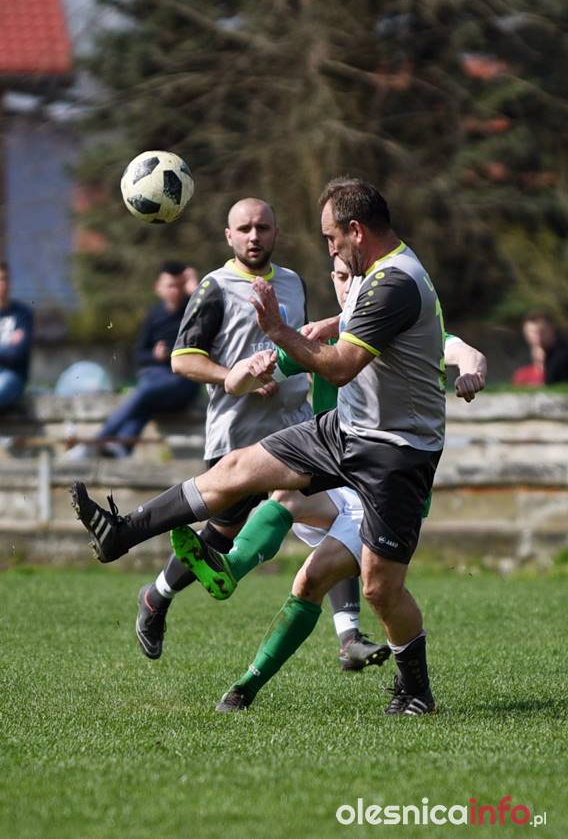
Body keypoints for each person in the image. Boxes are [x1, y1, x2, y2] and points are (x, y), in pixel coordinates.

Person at [71, 177, 448, 716]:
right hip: (344, 430)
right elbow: (355, 330)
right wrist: (320, 328)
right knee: (238, 468)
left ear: (356, 231)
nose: (329, 249)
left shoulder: (396, 282)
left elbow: (342, 367)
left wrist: (277, 329)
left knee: (379, 589)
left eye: (331, 238)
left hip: (397, 452)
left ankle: (415, 690)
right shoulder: (375, 273)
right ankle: (123, 532)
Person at [171, 269, 486, 710]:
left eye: (354, 276)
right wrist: (244, 372)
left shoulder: (401, 327)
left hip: (383, 491)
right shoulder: (322, 341)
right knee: (284, 495)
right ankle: (229, 569)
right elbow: (249, 377)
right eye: (338, 276)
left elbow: (466, 352)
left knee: (324, 584)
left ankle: (251, 685)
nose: (347, 285)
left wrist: (470, 372)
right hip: (338, 478)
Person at [131, 199, 387, 671]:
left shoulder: (293, 282)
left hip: (295, 428)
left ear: (276, 232)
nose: (254, 236)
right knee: (222, 535)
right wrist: (239, 374)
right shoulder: (213, 287)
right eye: (245, 228)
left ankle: (349, 636)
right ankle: (157, 596)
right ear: (229, 236)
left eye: (263, 228)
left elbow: (301, 343)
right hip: (237, 434)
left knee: (333, 516)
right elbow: (183, 360)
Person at [66, 261, 199, 459]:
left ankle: (98, 439)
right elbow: (140, 355)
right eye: (170, 286)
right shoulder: (154, 315)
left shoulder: (193, 310)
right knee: (146, 398)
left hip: (182, 383)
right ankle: (121, 448)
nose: (175, 291)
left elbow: (207, 318)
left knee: (145, 391)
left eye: (179, 286)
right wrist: (155, 356)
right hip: (157, 383)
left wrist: (195, 288)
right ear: (158, 288)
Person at [0, 262, 34, 411]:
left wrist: (10, 350)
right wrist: (7, 346)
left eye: (4, 278)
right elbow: (9, 351)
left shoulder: (22, 314)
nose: (2, 284)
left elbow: (16, 353)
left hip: (12, 376)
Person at [513, 311, 568, 386]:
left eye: (542, 331)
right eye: (532, 332)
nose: (538, 336)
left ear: (552, 329)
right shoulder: (523, 374)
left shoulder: (562, 355)